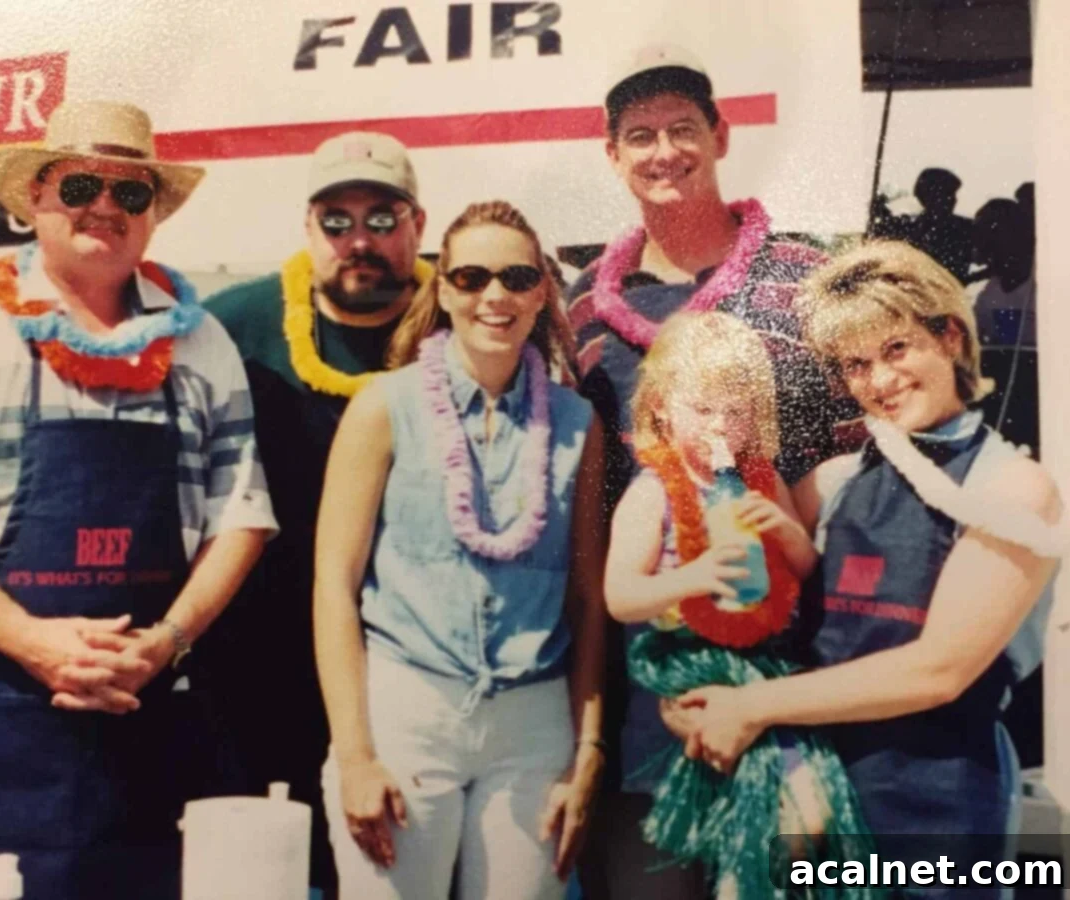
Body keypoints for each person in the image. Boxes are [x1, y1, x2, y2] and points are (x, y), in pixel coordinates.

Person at [0, 100, 277, 899]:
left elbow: (240, 516)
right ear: (35, 196)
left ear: (153, 216)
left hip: (147, 714)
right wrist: (29, 639)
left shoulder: (200, 342)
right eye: (82, 185)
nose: (106, 206)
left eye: (131, 193)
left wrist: (164, 642)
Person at [664, 242, 1063, 899]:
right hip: (816, 799)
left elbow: (940, 671)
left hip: (937, 811)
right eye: (856, 364)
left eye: (897, 349)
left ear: (950, 336)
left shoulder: (1015, 488)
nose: (880, 381)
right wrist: (699, 692)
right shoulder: (834, 482)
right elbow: (754, 604)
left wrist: (751, 706)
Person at [566, 43, 842, 899]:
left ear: (721, 135)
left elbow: (852, 453)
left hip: (791, 660)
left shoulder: (802, 280)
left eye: (683, 129)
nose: (664, 153)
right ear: (611, 156)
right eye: (639, 136)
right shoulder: (587, 306)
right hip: (653, 673)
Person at [314, 201, 607, 900]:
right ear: (442, 289)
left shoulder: (578, 422)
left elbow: (589, 596)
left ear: (542, 290)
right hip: (407, 711)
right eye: (472, 277)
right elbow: (334, 585)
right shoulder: (384, 407)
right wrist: (355, 755)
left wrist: (586, 751)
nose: (494, 296)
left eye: (516, 276)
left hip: (533, 726)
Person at [202, 130, 430, 893]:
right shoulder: (230, 326)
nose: (358, 240)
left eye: (382, 217)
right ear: (307, 229)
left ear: (418, 227)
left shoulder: (461, 315)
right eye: (336, 221)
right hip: (256, 664)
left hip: (412, 667)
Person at [604, 311, 868, 899]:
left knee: (784, 837)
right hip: (675, 699)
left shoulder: (761, 479)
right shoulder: (652, 494)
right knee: (671, 861)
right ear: (661, 407)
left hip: (756, 684)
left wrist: (789, 532)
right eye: (704, 408)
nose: (721, 424)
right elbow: (620, 597)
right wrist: (691, 575)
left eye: (738, 409)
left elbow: (804, 573)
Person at [906, 167, 976, 285]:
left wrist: (968, 280)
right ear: (928, 196)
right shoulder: (909, 227)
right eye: (947, 194)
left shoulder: (967, 228)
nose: (953, 200)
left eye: (953, 194)